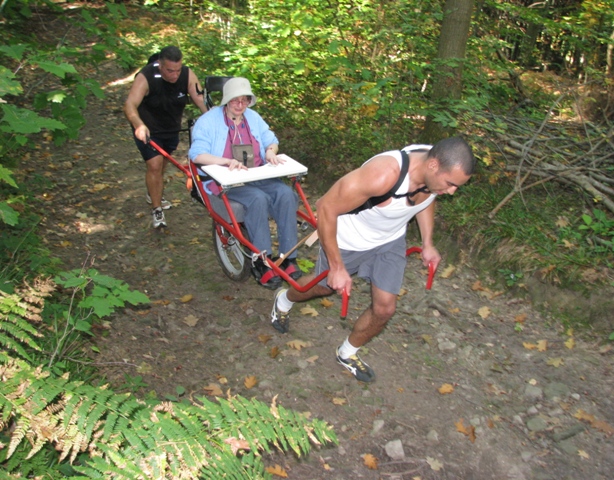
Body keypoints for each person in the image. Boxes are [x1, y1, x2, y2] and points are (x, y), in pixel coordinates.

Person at [269, 137, 476, 382]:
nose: (452, 191)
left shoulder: (435, 172)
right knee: (322, 288)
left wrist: (428, 243)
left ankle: (347, 353)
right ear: (433, 166)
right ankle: (284, 299)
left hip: (390, 241)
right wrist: (336, 267)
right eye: (451, 184)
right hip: (348, 241)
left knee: (385, 308)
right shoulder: (383, 174)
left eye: (457, 187)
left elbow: (427, 199)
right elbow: (325, 207)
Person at [188, 77, 302, 289]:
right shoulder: (208, 121)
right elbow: (197, 154)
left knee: (286, 194)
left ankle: (289, 257)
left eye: (245, 100)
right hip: (226, 181)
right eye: (235, 101)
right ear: (226, 101)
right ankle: (261, 261)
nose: (240, 105)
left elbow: (271, 139)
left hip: (256, 173)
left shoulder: (253, 117)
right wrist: (226, 161)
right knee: (256, 199)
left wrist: (270, 151)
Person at [124, 45, 207, 229]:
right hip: (148, 129)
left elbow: (200, 99)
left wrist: (214, 120)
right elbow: (130, 104)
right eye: (170, 70)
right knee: (154, 164)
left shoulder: (186, 74)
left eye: (178, 70)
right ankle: (157, 209)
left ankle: (152, 191)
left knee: (161, 165)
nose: (175, 75)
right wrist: (139, 125)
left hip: (171, 128)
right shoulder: (145, 77)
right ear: (159, 65)